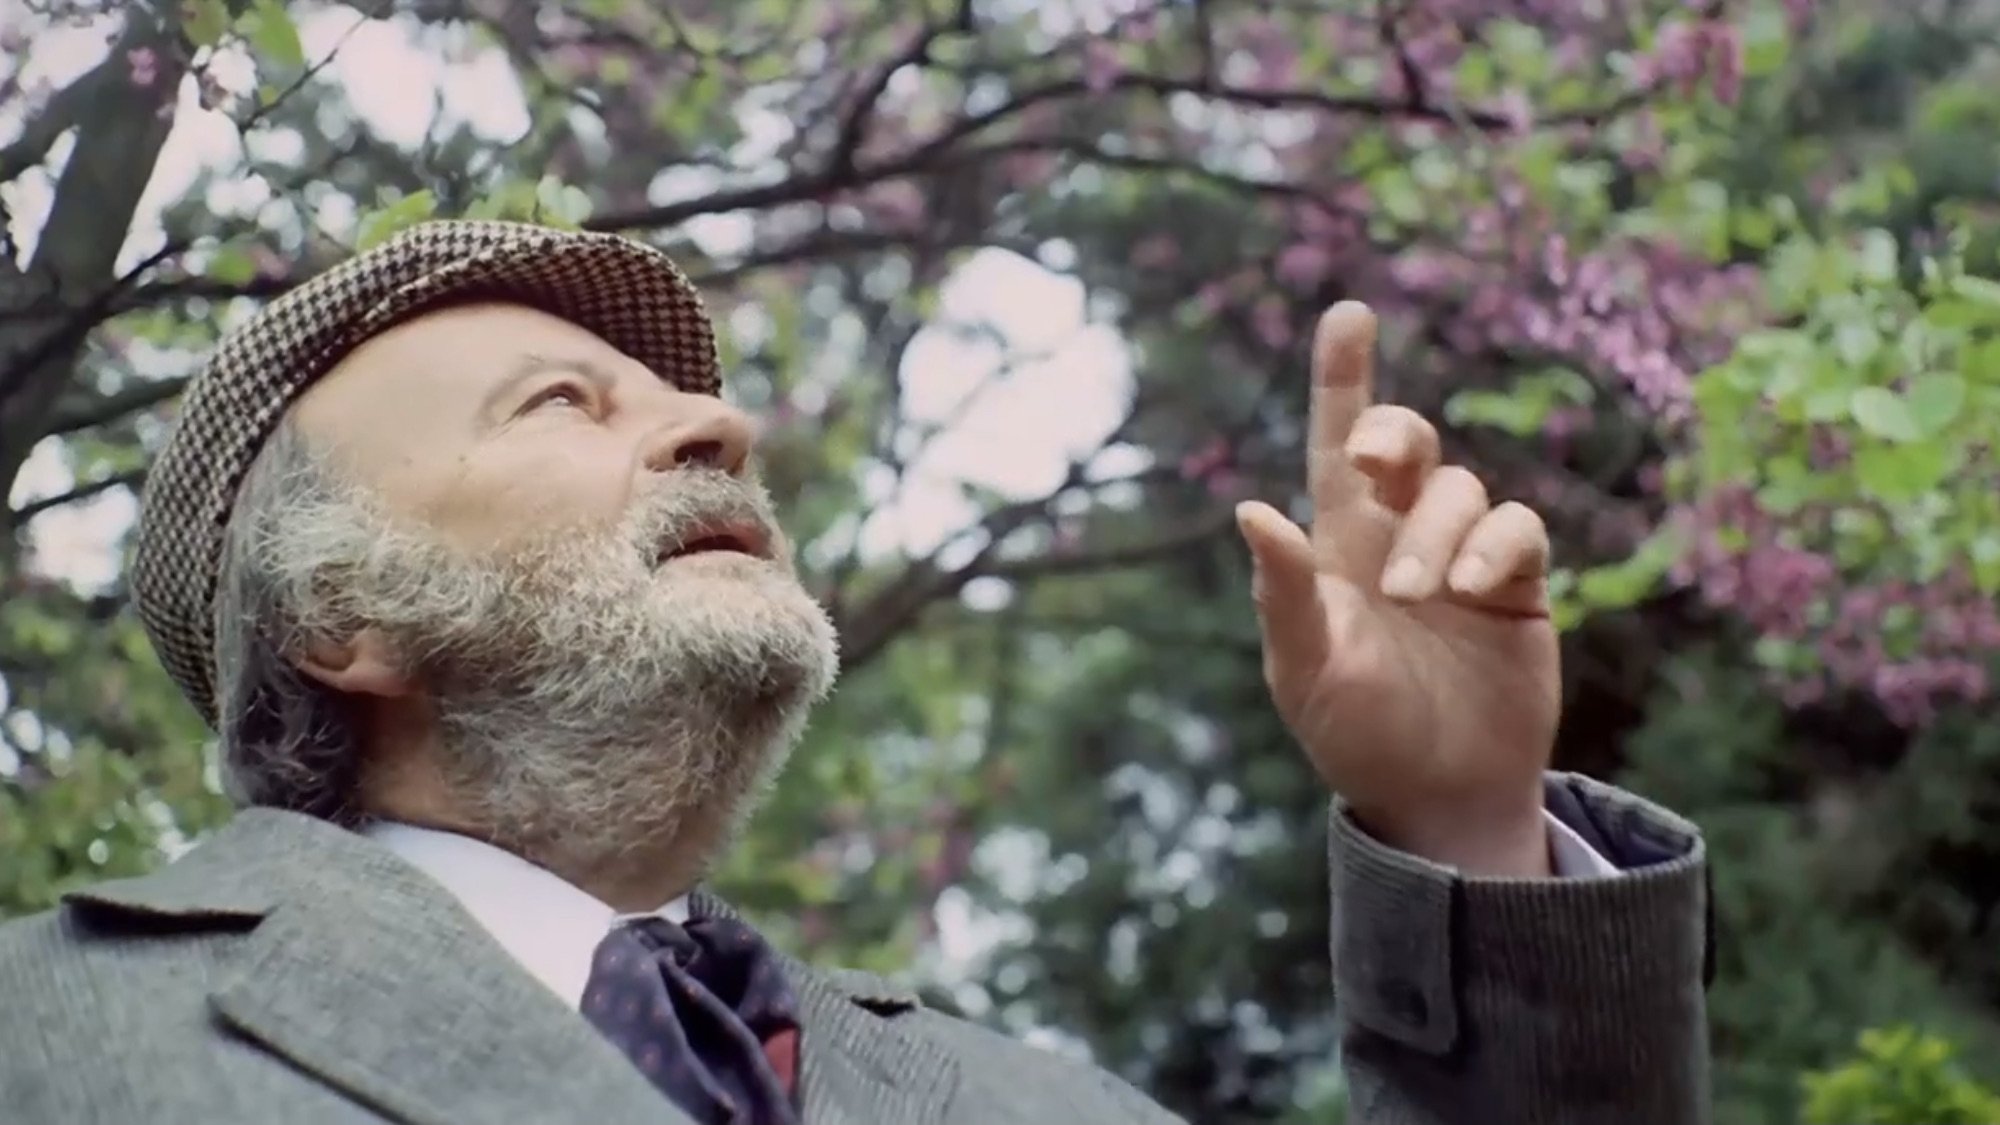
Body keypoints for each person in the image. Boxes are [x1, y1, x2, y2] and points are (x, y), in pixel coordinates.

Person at [0, 221, 1709, 1125]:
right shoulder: (47, 1040)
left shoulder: (1041, 1101)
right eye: (560, 403)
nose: (720, 423)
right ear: (339, 615)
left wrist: (1470, 828)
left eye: (685, 397)